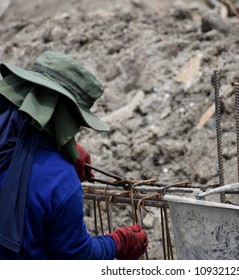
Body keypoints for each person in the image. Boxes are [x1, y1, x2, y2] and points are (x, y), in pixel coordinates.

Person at [0, 51, 148, 259]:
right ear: (66, 118)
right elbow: (76, 256)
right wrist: (117, 243)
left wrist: (62, 148)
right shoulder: (60, 181)